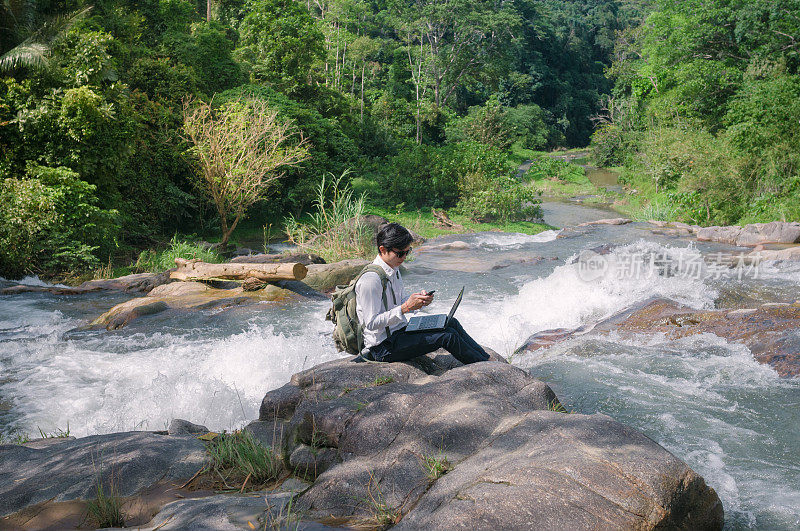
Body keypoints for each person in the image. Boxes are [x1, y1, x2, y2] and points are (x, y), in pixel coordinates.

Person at [355, 222, 490, 364]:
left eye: (408, 251)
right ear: (382, 249)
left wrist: (418, 300)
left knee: (449, 322)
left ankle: (486, 359)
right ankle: (483, 366)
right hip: (383, 347)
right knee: (447, 336)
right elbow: (371, 323)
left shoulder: (393, 269)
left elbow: (399, 300)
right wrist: (406, 307)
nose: (404, 257)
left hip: (400, 330)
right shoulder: (370, 281)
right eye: (400, 253)